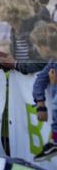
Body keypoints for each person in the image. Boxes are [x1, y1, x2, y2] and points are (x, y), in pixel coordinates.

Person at [30, 22, 57, 161]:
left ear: (45, 48)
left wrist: (53, 85)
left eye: (37, 47)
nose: (36, 51)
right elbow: (40, 81)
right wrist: (41, 104)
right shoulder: (53, 61)